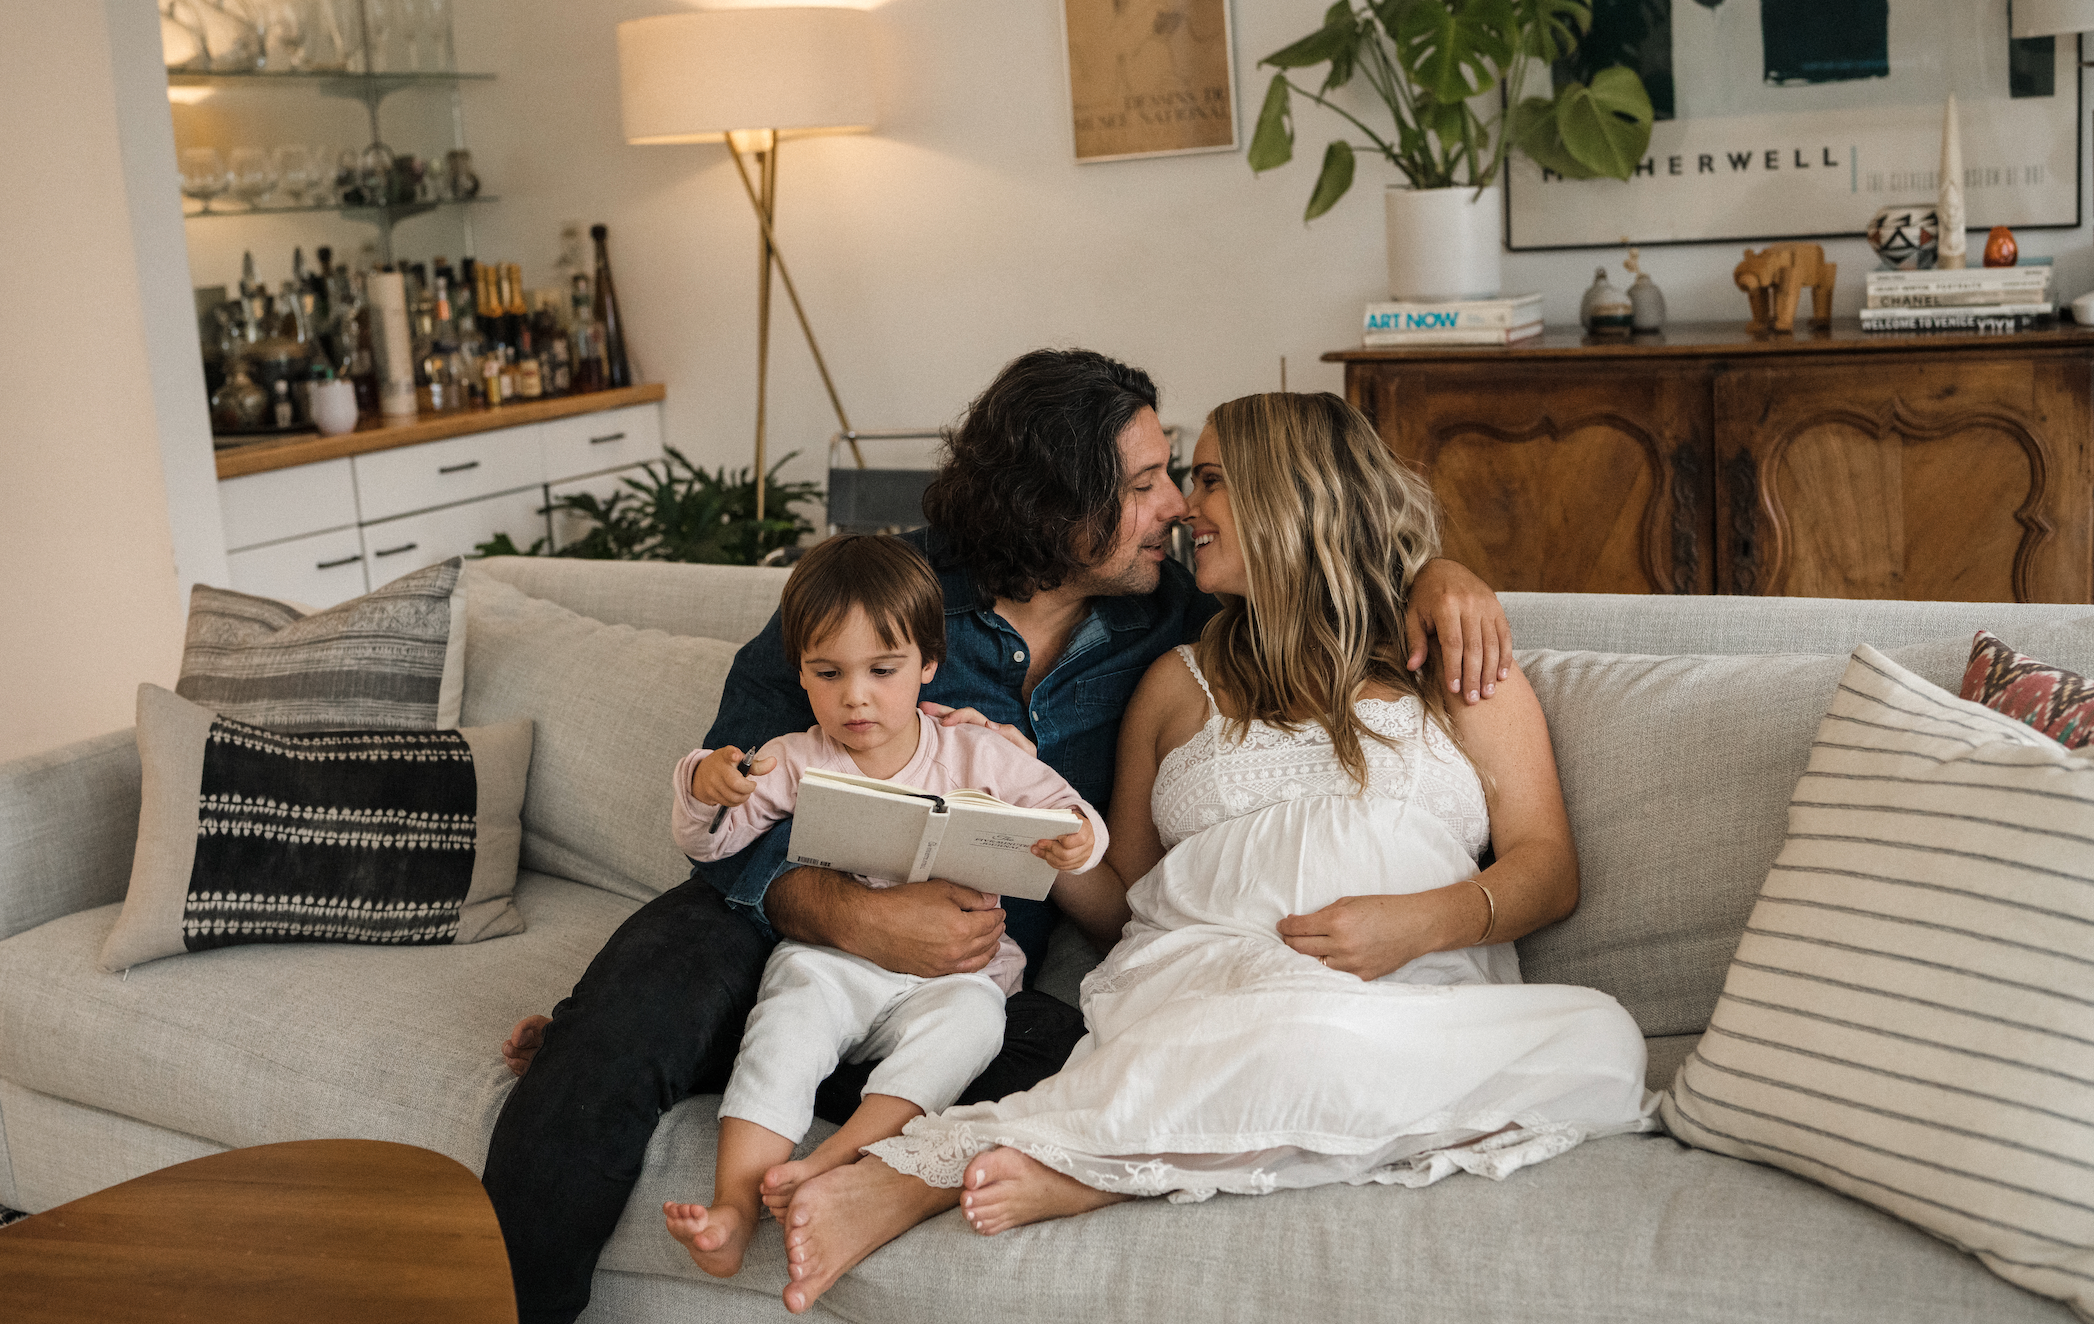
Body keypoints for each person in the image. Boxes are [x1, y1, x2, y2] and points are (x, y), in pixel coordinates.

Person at [482, 350, 1514, 1324]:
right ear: (1062, 508)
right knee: (621, 1033)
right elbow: (734, 789)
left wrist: (1439, 574)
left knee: (1088, 1077)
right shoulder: (873, 593)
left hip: (969, 979)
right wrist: (857, 914)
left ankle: (708, 1054)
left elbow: (1319, 554)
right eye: (1150, 483)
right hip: (771, 915)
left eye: (1178, 478)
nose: (1177, 509)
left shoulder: (1172, 611)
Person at [771, 392, 1654, 1316]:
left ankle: (1091, 1161)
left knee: (1603, 1040)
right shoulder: (1173, 681)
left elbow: (1546, 868)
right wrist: (1028, 826)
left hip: (1410, 1002)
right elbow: (1124, 906)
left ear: (1294, 492)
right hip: (1210, 984)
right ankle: (963, 1171)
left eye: (1211, 479)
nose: (1187, 507)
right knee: (1286, 1030)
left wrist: (1418, 922)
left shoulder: (1454, 663)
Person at [661, 534, 1108, 1277]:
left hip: (954, 978)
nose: (855, 696)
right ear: (800, 672)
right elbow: (712, 844)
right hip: (838, 964)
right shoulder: (796, 758)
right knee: (788, 1011)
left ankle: (834, 1161)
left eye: (882, 670)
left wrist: (1074, 839)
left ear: (928, 663)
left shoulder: (977, 752)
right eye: (827, 674)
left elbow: (1067, 812)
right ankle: (734, 1206)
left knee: (977, 1021)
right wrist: (705, 783)